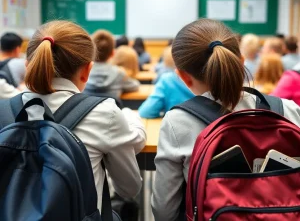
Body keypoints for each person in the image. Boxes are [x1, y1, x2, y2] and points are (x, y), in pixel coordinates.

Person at [151, 19, 300, 221]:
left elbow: (164, 211)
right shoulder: (288, 110)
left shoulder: (177, 122)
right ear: (241, 61)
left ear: (183, 77)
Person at [20, 20, 146, 210]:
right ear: (87, 70)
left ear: (27, 65)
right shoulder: (105, 113)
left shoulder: (5, 109)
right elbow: (129, 189)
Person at [85, 30, 139, 100]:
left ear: (91, 52)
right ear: (113, 53)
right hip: (112, 110)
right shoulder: (119, 73)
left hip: (86, 110)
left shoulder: (84, 72)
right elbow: (135, 86)